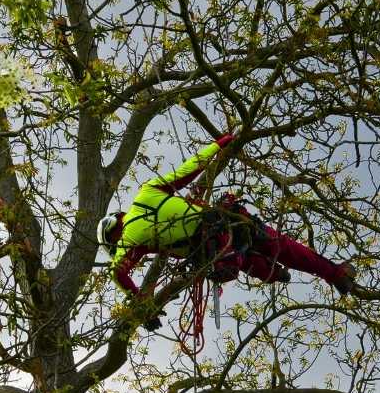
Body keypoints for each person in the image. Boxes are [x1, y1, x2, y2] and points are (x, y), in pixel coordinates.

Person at [98, 133, 354, 327]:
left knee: (240, 262)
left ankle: (275, 273)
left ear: (114, 233)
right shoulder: (147, 191)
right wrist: (220, 144)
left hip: (214, 248)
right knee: (282, 246)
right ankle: (334, 273)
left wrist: (143, 306)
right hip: (227, 223)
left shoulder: (127, 242)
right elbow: (190, 168)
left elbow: (118, 274)